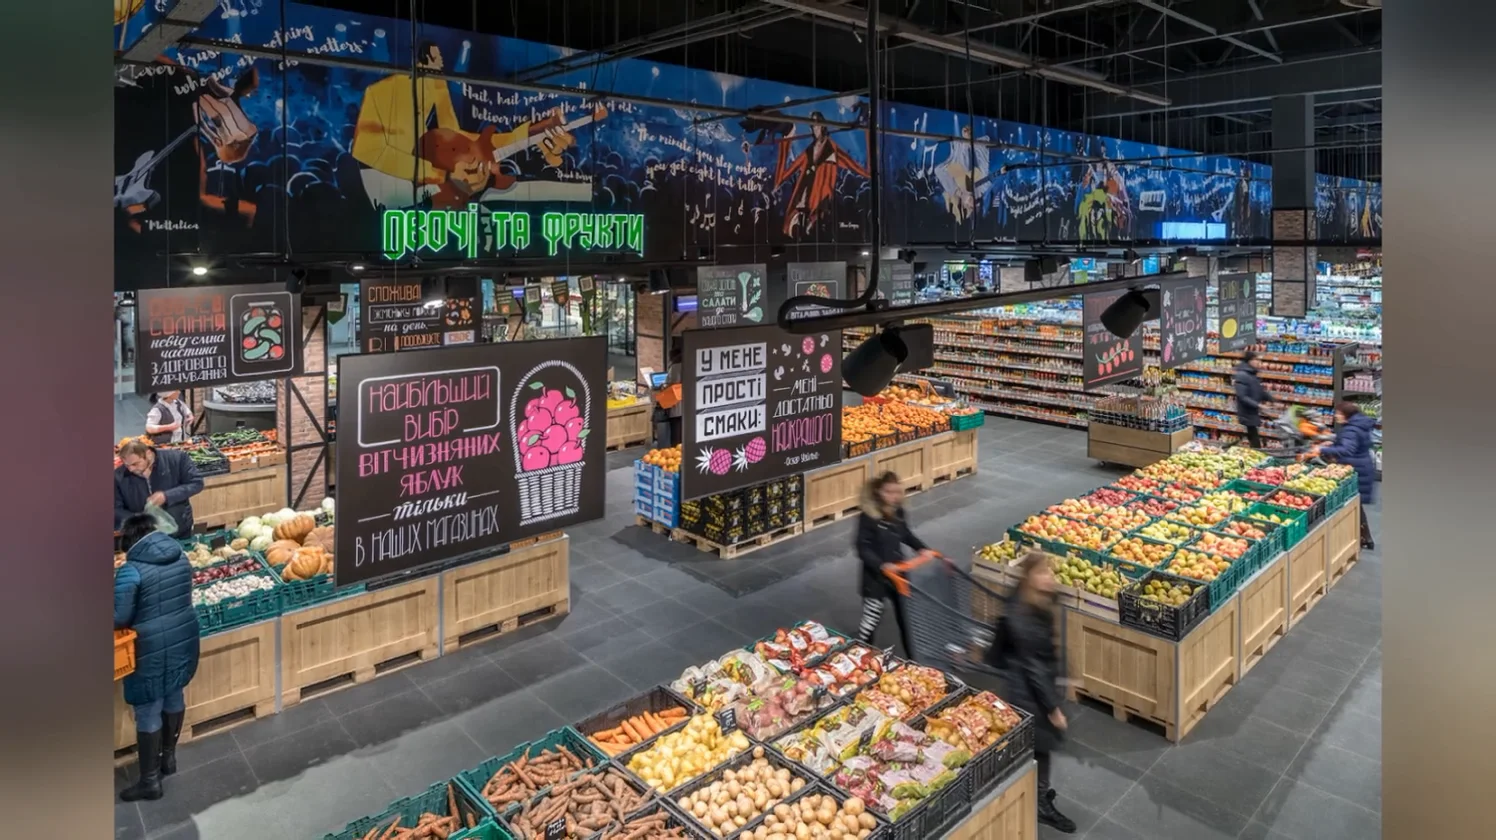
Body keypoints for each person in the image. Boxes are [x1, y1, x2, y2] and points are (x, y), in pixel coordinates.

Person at [985, 551, 1075, 833]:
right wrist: (1053, 709)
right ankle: (1038, 803)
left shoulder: (1031, 601)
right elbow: (1033, 667)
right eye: (1043, 573)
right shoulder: (1021, 616)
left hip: (1033, 682)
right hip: (1027, 688)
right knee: (1041, 742)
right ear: (1029, 579)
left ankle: (1030, 790)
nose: (1049, 578)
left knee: (1034, 743)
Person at [115, 513, 201, 802]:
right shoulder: (181, 557)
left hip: (149, 648)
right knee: (174, 693)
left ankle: (150, 781)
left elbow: (119, 617)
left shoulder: (131, 571)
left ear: (130, 542)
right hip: (182, 638)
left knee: (149, 708)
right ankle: (169, 760)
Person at [855, 472, 926, 654]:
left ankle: (914, 659)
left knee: (907, 620)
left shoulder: (899, 511)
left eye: (896, 492)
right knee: (870, 622)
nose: (893, 497)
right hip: (876, 579)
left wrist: (922, 549)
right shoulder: (868, 516)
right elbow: (862, 547)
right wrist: (881, 565)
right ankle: (861, 655)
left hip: (899, 576)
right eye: (889, 492)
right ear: (879, 491)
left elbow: (906, 534)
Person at [1316, 401, 1378, 549]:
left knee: (1352, 505)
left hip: (1356, 470)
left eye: (1337, 413)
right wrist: (1332, 444)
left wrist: (1322, 450)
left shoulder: (1351, 429)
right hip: (1361, 467)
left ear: (1345, 415)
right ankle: (1365, 538)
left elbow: (1347, 449)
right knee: (1355, 504)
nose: (1335, 416)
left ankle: (1362, 537)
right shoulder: (1358, 425)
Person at [114, 440, 205, 538]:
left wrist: (166, 496)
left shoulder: (177, 459)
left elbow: (196, 483)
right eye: (127, 465)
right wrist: (138, 519)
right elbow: (116, 508)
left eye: (135, 464)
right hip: (144, 536)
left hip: (179, 528)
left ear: (148, 454)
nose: (130, 469)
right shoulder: (118, 476)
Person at [1233, 350, 1268, 448]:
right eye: (1256, 360)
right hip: (1246, 411)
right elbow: (1242, 396)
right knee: (1253, 435)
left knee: (1252, 433)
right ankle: (1256, 453)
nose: (1259, 362)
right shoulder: (1242, 375)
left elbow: (1258, 390)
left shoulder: (1251, 374)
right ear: (1249, 361)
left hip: (1252, 411)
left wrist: (1272, 399)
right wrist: (1258, 405)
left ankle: (1255, 451)